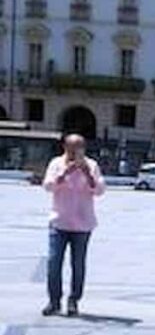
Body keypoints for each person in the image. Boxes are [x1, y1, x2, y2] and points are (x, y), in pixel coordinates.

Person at [41, 134, 106, 317]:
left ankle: (73, 300)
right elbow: (47, 186)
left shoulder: (91, 165)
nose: (75, 152)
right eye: (72, 148)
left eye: (79, 147)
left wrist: (87, 175)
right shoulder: (56, 163)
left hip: (83, 224)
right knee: (54, 262)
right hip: (59, 221)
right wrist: (64, 174)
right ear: (65, 147)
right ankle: (54, 301)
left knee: (78, 264)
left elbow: (100, 191)